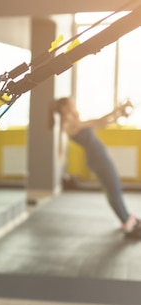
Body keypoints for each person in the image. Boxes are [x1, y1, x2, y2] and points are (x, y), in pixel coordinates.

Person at [49, 97, 141, 238]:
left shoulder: (74, 122)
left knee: (114, 190)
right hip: (98, 160)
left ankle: (127, 218)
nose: (74, 106)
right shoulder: (69, 123)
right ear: (64, 108)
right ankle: (127, 223)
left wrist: (119, 112)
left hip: (100, 158)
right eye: (71, 104)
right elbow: (98, 121)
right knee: (113, 190)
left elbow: (103, 123)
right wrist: (118, 110)